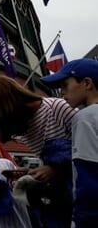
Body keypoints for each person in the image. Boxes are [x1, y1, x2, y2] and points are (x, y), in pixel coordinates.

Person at [0, 75, 77, 228]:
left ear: (6, 101)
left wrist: (55, 169)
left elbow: (91, 147)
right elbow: (51, 165)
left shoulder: (57, 108)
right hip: (63, 199)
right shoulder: (23, 130)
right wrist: (33, 173)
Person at [40, 58, 98, 228]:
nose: (62, 93)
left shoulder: (85, 118)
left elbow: (88, 176)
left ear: (87, 83)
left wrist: (81, 220)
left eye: (65, 85)